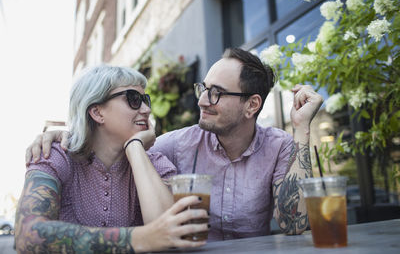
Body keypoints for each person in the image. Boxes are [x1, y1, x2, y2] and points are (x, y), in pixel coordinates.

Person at [26, 48, 323, 241]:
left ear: (252, 105)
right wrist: (72, 133)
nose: (202, 100)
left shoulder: (280, 145)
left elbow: (294, 224)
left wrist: (301, 131)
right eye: (203, 89)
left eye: (216, 93)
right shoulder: (174, 146)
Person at [16, 65, 209, 253]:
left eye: (145, 100)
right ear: (97, 112)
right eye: (133, 99)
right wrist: (141, 238)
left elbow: (173, 236)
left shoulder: (152, 163)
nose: (146, 109)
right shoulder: (55, 156)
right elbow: (28, 235)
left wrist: (135, 148)